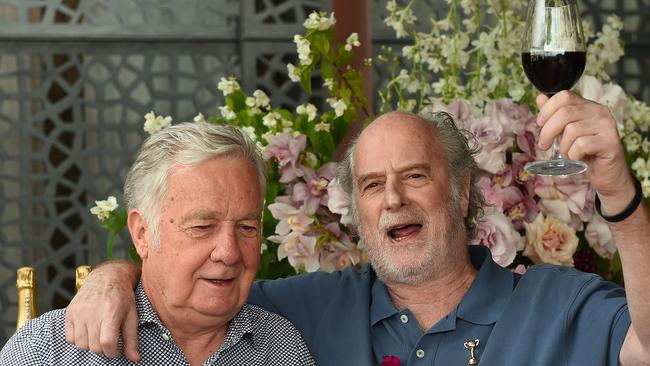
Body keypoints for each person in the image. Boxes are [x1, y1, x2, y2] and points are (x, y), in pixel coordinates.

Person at [64, 92, 650, 365]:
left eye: (415, 176)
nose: (392, 197)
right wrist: (117, 276)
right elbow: (195, 288)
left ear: (463, 191)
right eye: (372, 184)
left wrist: (620, 197)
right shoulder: (300, 315)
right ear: (358, 211)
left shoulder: (559, 303)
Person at [0, 123, 315, 365]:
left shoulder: (282, 347)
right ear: (142, 233)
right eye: (202, 227)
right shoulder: (50, 350)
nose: (229, 252)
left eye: (247, 227)